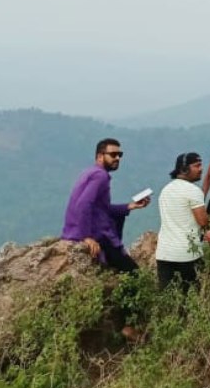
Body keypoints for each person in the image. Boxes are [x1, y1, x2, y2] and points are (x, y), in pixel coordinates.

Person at [61, 138, 150, 341]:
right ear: (100, 156)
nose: (117, 158)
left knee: (124, 271)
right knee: (134, 273)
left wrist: (130, 206)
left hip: (89, 231)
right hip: (98, 234)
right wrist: (86, 237)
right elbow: (84, 205)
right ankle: (129, 326)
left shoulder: (92, 173)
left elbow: (101, 209)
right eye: (113, 154)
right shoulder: (100, 176)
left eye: (120, 154)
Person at [156, 152, 210, 293]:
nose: (201, 169)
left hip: (164, 254)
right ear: (185, 169)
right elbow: (202, 221)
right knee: (191, 298)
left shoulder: (165, 190)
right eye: (196, 166)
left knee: (169, 300)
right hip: (187, 255)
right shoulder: (193, 191)